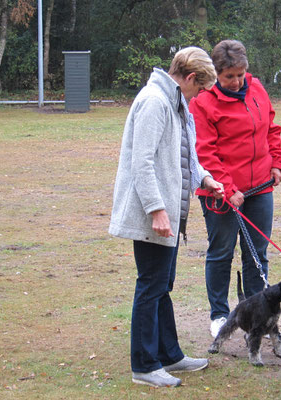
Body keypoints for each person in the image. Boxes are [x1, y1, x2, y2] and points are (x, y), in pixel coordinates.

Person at [109, 47, 224, 388]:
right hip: (154, 214)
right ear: (190, 78)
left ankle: (169, 354)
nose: (200, 95)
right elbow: (141, 163)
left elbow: (185, 153)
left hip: (171, 213)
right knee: (150, 285)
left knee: (163, 284)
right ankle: (144, 365)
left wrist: (205, 178)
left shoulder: (176, 103)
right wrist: (157, 210)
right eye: (200, 88)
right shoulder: (155, 102)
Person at [190, 40, 281, 338]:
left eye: (240, 75)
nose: (236, 82)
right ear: (216, 73)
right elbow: (205, 151)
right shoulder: (202, 102)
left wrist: (276, 161)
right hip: (220, 193)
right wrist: (227, 188)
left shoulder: (256, 89)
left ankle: (258, 313)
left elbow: (270, 127)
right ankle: (220, 314)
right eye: (229, 76)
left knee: (257, 252)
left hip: (260, 187)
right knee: (221, 252)